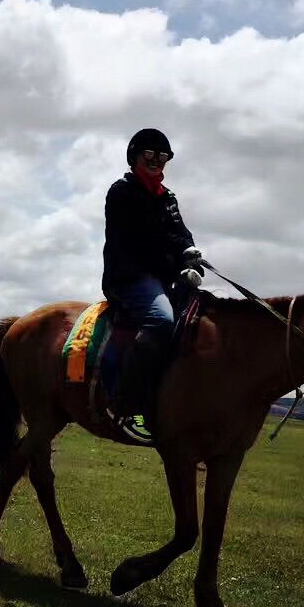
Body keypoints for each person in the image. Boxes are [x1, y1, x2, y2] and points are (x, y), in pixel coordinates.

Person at [102, 129, 204, 421]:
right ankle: (125, 397)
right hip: (129, 277)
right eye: (149, 154)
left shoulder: (167, 197)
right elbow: (137, 242)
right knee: (162, 320)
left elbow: (179, 232)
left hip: (162, 277)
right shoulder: (121, 192)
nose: (156, 160)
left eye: (162, 156)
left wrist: (191, 252)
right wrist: (176, 264)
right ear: (135, 156)